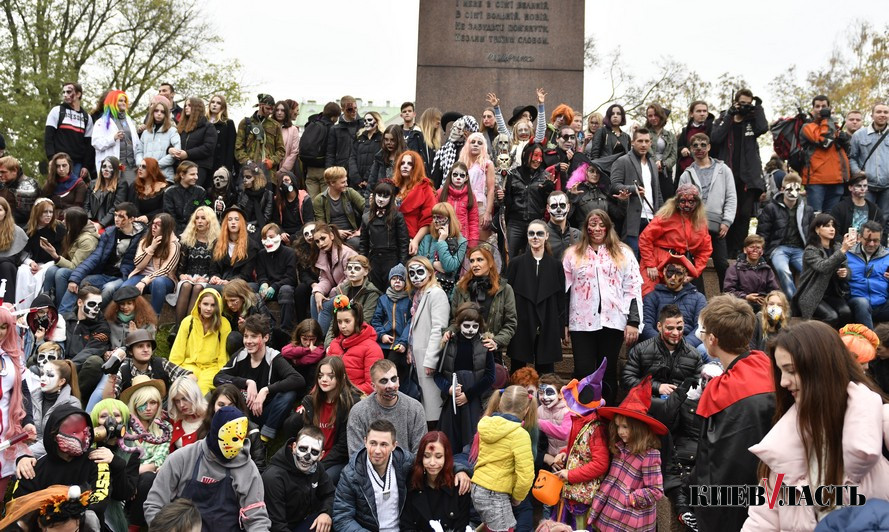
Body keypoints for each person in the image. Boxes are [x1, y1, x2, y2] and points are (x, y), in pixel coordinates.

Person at [743, 321, 889, 530]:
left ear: (822, 368)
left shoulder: (883, 423)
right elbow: (762, 521)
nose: (783, 382)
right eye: (780, 371)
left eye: (791, 370)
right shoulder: (782, 444)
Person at [691, 295, 775, 532]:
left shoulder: (724, 392)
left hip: (736, 507)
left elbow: (718, 463)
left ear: (712, 339)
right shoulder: (765, 365)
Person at [144, 406, 271, 531]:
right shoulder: (181, 458)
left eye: (240, 438)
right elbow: (154, 505)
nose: (238, 445)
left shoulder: (248, 469)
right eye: (232, 438)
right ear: (216, 433)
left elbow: (256, 519)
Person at [563, 210, 641, 402]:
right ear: (586, 227)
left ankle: (606, 418)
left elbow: (633, 287)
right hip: (581, 321)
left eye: (601, 225)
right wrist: (563, 323)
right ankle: (584, 417)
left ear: (608, 226)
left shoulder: (624, 253)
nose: (597, 229)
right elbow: (565, 290)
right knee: (583, 368)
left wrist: (633, 321)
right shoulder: (572, 254)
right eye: (593, 224)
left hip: (613, 320)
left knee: (607, 370)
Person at [12, 405, 128, 527]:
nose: (82, 437)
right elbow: (18, 506)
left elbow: (100, 498)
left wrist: (68, 513)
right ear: (54, 435)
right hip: (45, 526)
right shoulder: (34, 468)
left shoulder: (96, 460)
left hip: (83, 524)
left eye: (84, 431)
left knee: (90, 518)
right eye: (73, 431)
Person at [589, 376, 666, 532]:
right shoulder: (620, 448)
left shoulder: (650, 455)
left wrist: (630, 498)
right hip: (610, 513)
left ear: (638, 428)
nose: (620, 431)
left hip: (630, 519)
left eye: (625, 427)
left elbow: (656, 490)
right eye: (617, 426)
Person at [214, 315, 305, 442]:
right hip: (242, 410)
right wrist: (247, 382)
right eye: (246, 336)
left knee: (289, 395)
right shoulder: (241, 354)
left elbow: (298, 379)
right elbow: (218, 378)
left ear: (265, 337)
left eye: (254, 336)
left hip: (264, 411)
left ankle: (264, 438)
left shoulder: (273, 357)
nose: (248, 341)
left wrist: (266, 390)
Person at [547, 360, 610, 528]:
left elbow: (601, 464)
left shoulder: (596, 428)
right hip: (570, 491)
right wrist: (563, 453)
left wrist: (571, 475)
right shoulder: (579, 420)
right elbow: (577, 448)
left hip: (582, 495)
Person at [282, 356, 363, 486]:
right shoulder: (311, 401)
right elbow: (291, 429)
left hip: (335, 460)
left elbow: (342, 448)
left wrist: (318, 464)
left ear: (341, 377)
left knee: (321, 480)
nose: (324, 379)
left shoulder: (350, 404)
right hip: (309, 454)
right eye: (320, 375)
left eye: (330, 375)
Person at [710, 89, 768, 256]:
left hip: (748, 178)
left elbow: (763, 128)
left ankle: (738, 251)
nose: (744, 107)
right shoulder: (723, 118)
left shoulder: (752, 120)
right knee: (727, 214)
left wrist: (758, 108)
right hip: (726, 176)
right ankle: (724, 252)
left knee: (744, 215)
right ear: (735, 102)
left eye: (748, 104)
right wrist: (730, 115)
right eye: (742, 103)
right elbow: (715, 138)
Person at [471, 385, 535, 532]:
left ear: (499, 404)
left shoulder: (486, 424)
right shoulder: (520, 435)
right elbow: (526, 475)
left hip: (477, 488)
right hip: (495, 493)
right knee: (507, 529)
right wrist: (518, 498)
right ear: (526, 410)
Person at [676, 133, 737, 288]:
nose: (699, 148)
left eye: (703, 144)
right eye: (695, 145)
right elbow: (680, 202)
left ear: (709, 147)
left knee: (722, 263)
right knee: (695, 265)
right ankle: (699, 300)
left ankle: (728, 299)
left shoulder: (723, 170)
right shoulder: (686, 174)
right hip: (694, 225)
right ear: (690, 149)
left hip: (718, 225)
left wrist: (727, 221)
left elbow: (731, 196)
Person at [506, 219, 566, 374]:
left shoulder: (556, 265)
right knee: (518, 373)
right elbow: (507, 296)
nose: (535, 237)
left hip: (547, 323)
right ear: (527, 236)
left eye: (539, 233)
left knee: (546, 374)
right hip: (521, 323)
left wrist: (560, 328)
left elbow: (561, 299)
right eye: (531, 233)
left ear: (546, 236)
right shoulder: (515, 264)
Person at [434, 303, 494, 455]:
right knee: (450, 439)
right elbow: (437, 374)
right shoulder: (449, 344)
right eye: (466, 326)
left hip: (473, 401)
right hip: (452, 401)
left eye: (474, 326)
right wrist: (448, 388)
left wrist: (468, 395)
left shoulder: (484, 346)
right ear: (459, 324)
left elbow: (490, 377)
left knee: (472, 437)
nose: (470, 330)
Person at [61, 202, 144, 311]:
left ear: (132, 219)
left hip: (123, 276)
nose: (116, 219)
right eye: (115, 215)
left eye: (121, 216)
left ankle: (93, 317)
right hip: (105, 274)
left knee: (109, 288)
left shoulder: (142, 236)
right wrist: (75, 279)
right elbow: (95, 257)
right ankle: (63, 315)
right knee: (79, 281)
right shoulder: (110, 232)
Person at [639, 183, 712, 296]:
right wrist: (650, 264)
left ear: (697, 203)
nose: (687, 205)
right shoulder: (666, 216)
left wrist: (694, 272)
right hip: (657, 262)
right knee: (648, 295)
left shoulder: (700, 223)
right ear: (677, 202)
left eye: (691, 201)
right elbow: (645, 238)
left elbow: (705, 250)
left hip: (679, 265)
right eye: (683, 201)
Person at [346, 359, 427, 455]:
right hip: (370, 468)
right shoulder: (359, 412)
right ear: (373, 386)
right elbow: (356, 456)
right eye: (383, 381)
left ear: (399, 381)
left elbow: (419, 452)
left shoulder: (415, 409)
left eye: (393, 379)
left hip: (407, 467)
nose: (391, 385)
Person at [449, 245, 517, 360]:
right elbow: (454, 320)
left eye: (480, 260)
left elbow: (510, 323)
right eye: (472, 261)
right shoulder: (460, 288)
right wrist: (449, 332)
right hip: (464, 349)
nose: (475, 264)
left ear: (490, 263)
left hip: (491, 351)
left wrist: (496, 341)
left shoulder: (505, 289)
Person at [263, 426, 336, 532]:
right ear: (294, 447)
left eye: (314, 452)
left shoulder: (316, 467)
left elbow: (330, 494)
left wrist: (326, 513)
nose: (307, 457)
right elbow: (276, 525)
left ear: (321, 455)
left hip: (307, 521)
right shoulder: (274, 478)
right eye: (303, 449)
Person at [404, 256, 450, 422]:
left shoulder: (436, 294)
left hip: (428, 359)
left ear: (430, 273)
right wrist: (410, 349)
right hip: (418, 357)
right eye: (411, 273)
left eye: (420, 272)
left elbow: (438, 329)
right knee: (424, 403)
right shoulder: (418, 295)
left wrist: (431, 360)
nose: (416, 277)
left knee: (432, 408)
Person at [623, 305, 703, 396]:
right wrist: (656, 387)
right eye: (670, 328)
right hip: (648, 404)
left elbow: (698, 386)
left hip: (680, 405)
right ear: (659, 326)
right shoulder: (641, 350)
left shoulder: (694, 355)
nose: (676, 333)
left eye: (679, 328)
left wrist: (681, 391)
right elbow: (627, 379)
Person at [756, 173, 814, 299]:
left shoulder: (806, 210)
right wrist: (763, 253)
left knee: (809, 272)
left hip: (800, 249)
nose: (793, 192)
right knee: (783, 270)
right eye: (789, 189)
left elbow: (812, 234)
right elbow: (762, 232)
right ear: (782, 189)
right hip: (779, 248)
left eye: (797, 189)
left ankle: (808, 301)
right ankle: (794, 301)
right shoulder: (771, 208)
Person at [401, 431, 472, 532]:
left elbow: (462, 526)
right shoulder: (411, 483)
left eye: (438, 456)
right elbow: (406, 525)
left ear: (446, 458)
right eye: (427, 456)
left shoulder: (459, 485)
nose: (432, 463)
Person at [794, 213, 855, 327]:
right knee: (831, 317)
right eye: (827, 226)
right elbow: (823, 267)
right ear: (817, 229)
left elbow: (846, 269)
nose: (832, 229)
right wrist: (843, 250)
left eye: (833, 226)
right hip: (812, 295)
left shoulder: (836, 247)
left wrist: (844, 273)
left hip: (833, 294)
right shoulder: (810, 250)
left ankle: (839, 342)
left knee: (846, 313)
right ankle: (820, 342)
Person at [610, 128, 664, 256]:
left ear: (651, 143)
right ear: (633, 142)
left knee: (649, 259)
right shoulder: (622, 161)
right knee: (632, 258)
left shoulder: (652, 163)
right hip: (632, 219)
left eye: (646, 141)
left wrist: (662, 215)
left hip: (652, 218)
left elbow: (658, 193)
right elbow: (613, 186)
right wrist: (633, 189)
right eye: (640, 141)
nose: (644, 144)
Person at [168, 288, 230, 394]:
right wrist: (174, 369)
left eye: (213, 305)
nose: (208, 308)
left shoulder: (224, 324)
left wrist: (222, 373)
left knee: (202, 389)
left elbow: (223, 355)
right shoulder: (188, 322)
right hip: (189, 365)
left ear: (218, 306)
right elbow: (177, 350)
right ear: (199, 304)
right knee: (186, 388)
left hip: (212, 368)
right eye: (205, 304)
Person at [640, 255, 707, 349]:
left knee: (704, 350)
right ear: (664, 272)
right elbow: (646, 325)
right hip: (658, 346)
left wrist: (684, 346)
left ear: (685, 276)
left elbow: (701, 328)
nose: (673, 277)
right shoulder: (652, 297)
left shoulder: (699, 298)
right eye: (670, 272)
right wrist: (663, 343)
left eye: (679, 273)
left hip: (688, 347)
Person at [170, 205, 219, 333]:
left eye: (203, 218)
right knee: (186, 286)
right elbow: (180, 267)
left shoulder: (216, 242)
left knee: (198, 287)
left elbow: (214, 268)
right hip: (188, 277)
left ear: (210, 221)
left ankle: (189, 328)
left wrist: (205, 278)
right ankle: (178, 329)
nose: (200, 221)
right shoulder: (187, 240)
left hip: (205, 279)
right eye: (197, 218)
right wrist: (181, 275)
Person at [119, 212, 179, 315]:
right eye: (153, 224)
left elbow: (166, 270)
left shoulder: (174, 245)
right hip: (142, 275)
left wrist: (145, 281)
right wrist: (151, 248)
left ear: (166, 228)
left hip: (164, 279)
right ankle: (126, 320)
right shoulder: (145, 241)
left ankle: (153, 319)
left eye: (158, 225)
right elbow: (138, 264)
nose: (154, 227)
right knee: (125, 288)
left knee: (158, 282)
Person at [504, 142, 556, 257]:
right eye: (535, 155)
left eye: (540, 156)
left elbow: (550, 203)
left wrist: (548, 191)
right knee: (510, 256)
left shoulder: (545, 176)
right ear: (526, 155)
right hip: (515, 223)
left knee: (533, 257)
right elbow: (506, 200)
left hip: (536, 222)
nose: (538, 160)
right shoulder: (512, 174)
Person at [801, 95, 851, 213]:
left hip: (837, 180)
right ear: (812, 109)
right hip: (816, 182)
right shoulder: (807, 127)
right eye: (817, 106)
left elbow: (848, 152)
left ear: (829, 108)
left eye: (824, 106)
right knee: (816, 218)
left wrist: (845, 141)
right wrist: (827, 119)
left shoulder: (835, 127)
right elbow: (825, 142)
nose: (820, 109)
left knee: (830, 219)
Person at [359, 181, 409, 292]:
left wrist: (402, 264)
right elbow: (363, 243)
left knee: (390, 290)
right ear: (374, 195)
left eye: (385, 196)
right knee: (374, 290)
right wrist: (363, 262)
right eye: (379, 195)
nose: (381, 199)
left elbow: (403, 242)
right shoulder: (366, 217)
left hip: (391, 258)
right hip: (374, 259)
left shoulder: (397, 217)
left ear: (390, 198)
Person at [326, 297, 383, 394]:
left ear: (357, 320)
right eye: (339, 322)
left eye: (347, 321)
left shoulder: (372, 348)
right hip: (332, 395)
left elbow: (372, 385)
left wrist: (345, 394)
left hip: (355, 399)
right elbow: (324, 376)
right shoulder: (334, 343)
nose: (343, 326)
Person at [62, 285, 110, 399]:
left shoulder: (102, 327)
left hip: (81, 372)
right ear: (80, 302)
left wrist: (66, 367)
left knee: (95, 361)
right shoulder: (64, 319)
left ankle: (72, 397)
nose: (96, 309)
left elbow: (90, 352)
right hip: (60, 366)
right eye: (92, 304)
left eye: (99, 305)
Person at [16, 199, 66, 309]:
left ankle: (37, 308)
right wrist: (30, 262)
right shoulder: (28, 229)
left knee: (41, 275)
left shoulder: (59, 229)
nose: (48, 215)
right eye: (45, 212)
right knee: (22, 272)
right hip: (33, 262)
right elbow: (22, 252)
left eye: (51, 212)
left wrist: (44, 266)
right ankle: (22, 308)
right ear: (37, 213)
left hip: (51, 263)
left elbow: (62, 253)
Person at [29, 358, 80, 460]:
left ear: (61, 381)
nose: (43, 378)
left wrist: (25, 453)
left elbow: (56, 440)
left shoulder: (72, 404)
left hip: (52, 458)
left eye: (50, 375)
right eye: (42, 374)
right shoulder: (31, 396)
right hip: (26, 451)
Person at [309, 222, 357, 330]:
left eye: (323, 238)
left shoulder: (347, 253)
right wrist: (318, 291)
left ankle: (321, 338)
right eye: (317, 241)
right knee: (314, 297)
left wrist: (332, 293)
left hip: (351, 292)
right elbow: (325, 278)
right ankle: (314, 334)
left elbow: (350, 280)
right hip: (337, 292)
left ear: (331, 235)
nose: (320, 243)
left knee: (325, 305)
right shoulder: (323, 254)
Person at [415, 202, 467, 299]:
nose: (435, 221)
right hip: (425, 290)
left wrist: (441, 241)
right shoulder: (427, 239)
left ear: (449, 219)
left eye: (439, 217)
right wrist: (433, 263)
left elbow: (450, 266)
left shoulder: (461, 242)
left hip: (447, 292)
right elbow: (417, 263)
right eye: (434, 217)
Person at [850, 102, 889, 228]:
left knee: (884, 219)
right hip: (866, 186)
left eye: (885, 112)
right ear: (872, 115)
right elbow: (851, 158)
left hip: (887, 186)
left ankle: (882, 246)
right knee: (864, 219)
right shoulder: (859, 135)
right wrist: (857, 172)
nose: (882, 115)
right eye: (879, 112)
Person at [45, 82, 93, 180]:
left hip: (77, 165)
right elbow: (48, 137)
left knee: (76, 191)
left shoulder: (87, 117)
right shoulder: (57, 110)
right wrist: (51, 158)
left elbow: (89, 144)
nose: (65, 95)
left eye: (69, 92)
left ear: (78, 94)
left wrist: (86, 165)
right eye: (64, 92)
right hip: (59, 162)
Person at [847, 221, 889, 328]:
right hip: (856, 302)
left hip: (881, 303)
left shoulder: (887, 255)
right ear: (860, 237)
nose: (871, 244)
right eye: (868, 240)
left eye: (875, 241)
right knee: (862, 302)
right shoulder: (847, 254)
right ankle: (870, 342)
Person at [723, 234, 781, 312]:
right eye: (751, 247)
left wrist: (767, 300)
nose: (755, 250)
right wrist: (746, 297)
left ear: (762, 251)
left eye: (758, 248)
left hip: (763, 306)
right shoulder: (734, 268)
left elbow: (774, 290)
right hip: (740, 306)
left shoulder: (767, 269)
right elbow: (728, 290)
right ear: (745, 250)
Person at [256, 223, 298, 330]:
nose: (268, 240)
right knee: (250, 288)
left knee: (286, 290)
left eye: (271, 237)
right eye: (265, 238)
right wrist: (263, 284)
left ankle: (286, 329)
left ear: (279, 236)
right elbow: (261, 275)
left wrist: (275, 286)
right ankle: (259, 328)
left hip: (282, 287)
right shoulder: (261, 254)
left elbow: (291, 278)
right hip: (267, 288)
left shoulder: (289, 253)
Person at [209, 205, 260, 289]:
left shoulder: (251, 246)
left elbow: (245, 274)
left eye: (237, 219)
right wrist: (215, 277)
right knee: (209, 289)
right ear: (226, 223)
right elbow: (213, 269)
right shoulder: (217, 244)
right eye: (230, 219)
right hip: (220, 281)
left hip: (241, 283)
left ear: (242, 223)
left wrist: (228, 281)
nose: (233, 222)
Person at [313, 166, 365, 248]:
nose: (346, 184)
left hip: (351, 234)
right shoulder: (319, 200)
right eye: (343, 182)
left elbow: (367, 209)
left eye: (346, 181)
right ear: (332, 183)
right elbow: (320, 224)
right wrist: (334, 232)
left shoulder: (349, 192)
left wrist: (360, 230)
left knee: (356, 244)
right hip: (330, 235)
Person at [91, 91, 141, 176]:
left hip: (129, 167)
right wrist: (113, 138)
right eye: (120, 101)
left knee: (129, 187)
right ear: (113, 102)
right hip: (112, 166)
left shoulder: (130, 121)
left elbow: (136, 144)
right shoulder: (102, 122)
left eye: (125, 101)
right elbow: (96, 143)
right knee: (112, 188)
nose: (123, 103)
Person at [235, 93, 284, 172]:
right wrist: (248, 162)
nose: (270, 112)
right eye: (268, 108)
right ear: (260, 105)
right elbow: (238, 148)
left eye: (272, 109)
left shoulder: (275, 125)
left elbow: (281, 150)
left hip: (268, 173)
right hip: (248, 172)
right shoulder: (245, 123)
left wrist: (272, 161)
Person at [830, 174, 885, 241]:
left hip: (869, 246)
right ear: (850, 188)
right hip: (845, 246)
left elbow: (882, 232)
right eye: (859, 186)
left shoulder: (874, 209)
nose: (862, 188)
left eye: (865, 186)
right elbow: (834, 232)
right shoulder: (839, 208)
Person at [102, 283, 157, 349]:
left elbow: (149, 349)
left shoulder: (147, 323)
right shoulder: (110, 320)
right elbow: (102, 342)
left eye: (129, 303)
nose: (125, 307)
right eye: (122, 304)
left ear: (137, 304)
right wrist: (106, 353)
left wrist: (137, 335)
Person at [138, 99, 181, 182]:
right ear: (152, 113)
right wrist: (142, 165)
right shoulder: (145, 133)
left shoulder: (172, 131)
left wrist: (155, 166)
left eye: (162, 111)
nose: (159, 113)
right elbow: (139, 151)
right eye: (156, 111)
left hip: (164, 176)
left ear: (166, 114)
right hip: (146, 176)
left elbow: (176, 151)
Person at [164, 160, 208, 235]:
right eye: (192, 174)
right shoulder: (169, 192)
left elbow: (207, 205)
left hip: (195, 231)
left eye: (196, 174)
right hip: (173, 231)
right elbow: (169, 216)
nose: (196, 177)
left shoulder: (201, 191)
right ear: (182, 175)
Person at [643, 103, 677, 197]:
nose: (653, 118)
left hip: (665, 172)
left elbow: (673, 156)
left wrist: (663, 165)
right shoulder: (643, 132)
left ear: (661, 115)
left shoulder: (670, 135)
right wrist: (655, 164)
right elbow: (646, 150)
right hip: (648, 170)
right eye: (650, 116)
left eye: (656, 115)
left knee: (666, 201)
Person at [272, 170, 313, 244]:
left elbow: (308, 222)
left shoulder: (305, 199)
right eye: (281, 182)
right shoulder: (277, 200)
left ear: (293, 181)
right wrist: (282, 233)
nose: (284, 184)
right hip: (284, 234)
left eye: (286, 180)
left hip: (301, 232)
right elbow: (276, 222)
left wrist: (293, 238)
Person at [168, 376, 208, 452]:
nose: (181, 405)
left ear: (194, 396)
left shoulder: (210, 417)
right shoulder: (175, 419)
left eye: (184, 399)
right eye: (177, 401)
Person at [366, 124, 407, 197]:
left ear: (399, 140)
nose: (389, 143)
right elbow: (371, 183)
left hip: (401, 199)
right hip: (382, 197)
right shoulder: (380, 157)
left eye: (392, 140)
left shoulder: (407, 158)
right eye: (386, 139)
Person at [675, 100, 714, 177]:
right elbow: (677, 149)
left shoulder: (713, 129)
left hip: (706, 172)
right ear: (691, 114)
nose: (702, 114)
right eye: (699, 111)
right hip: (686, 172)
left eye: (704, 111)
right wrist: (682, 149)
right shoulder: (685, 130)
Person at [349, 111, 384, 193]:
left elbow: (379, 159)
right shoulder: (359, 137)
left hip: (372, 182)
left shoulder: (382, 138)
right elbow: (352, 157)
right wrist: (356, 178)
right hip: (356, 183)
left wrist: (367, 178)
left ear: (377, 121)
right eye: (365, 120)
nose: (366, 123)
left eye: (369, 120)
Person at [237, 162, 274, 237]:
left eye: (248, 177)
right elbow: (239, 211)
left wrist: (250, 224)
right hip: (243, 226)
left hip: (260, 227)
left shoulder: (267, 194)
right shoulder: (242, 193)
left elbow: (266, 217)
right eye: (244, 177)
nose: (244, 179)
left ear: (257, 178)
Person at [0, 156, 40, 225]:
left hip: (21, 228)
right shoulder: (4, 183)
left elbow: (23, 216)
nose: (0, 175)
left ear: (14, 171)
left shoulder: (27, 185)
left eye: (3, 172)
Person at [84, 157, 121, 228]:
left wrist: (101, 224)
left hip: (110, 224)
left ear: (116, 170)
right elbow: (86, 204)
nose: (106, 169)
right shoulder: (92, 184)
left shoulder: (121, 184)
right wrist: (88, 220)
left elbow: (116, 207)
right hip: (92, 221)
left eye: (110, 167)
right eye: (104, 166)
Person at [326, 95, 360, 171]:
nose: (354, 111)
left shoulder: (363, 125)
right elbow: (330, 153)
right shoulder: (335, 129)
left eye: (355, 108)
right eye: (350, 109)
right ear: (342, 109)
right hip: (341, 170)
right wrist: (330, 171)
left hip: (359, 170)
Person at [208, 94, 237, 176]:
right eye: (212, 102)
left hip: (220, 164)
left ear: (223, 107)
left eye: (218, 103)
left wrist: (227, 167)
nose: (214, 105)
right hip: (205, 163)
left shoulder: (228, 123)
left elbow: (231, 148)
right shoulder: (203, 122)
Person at [272, 100, 300, 175]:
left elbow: (294, 152)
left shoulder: (293, 129)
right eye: (277, 110)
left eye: (282, 110)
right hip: (268, 168)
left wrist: (283, 170)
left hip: (284, 169)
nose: (279, 113)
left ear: (286, 112)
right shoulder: (268, 127)